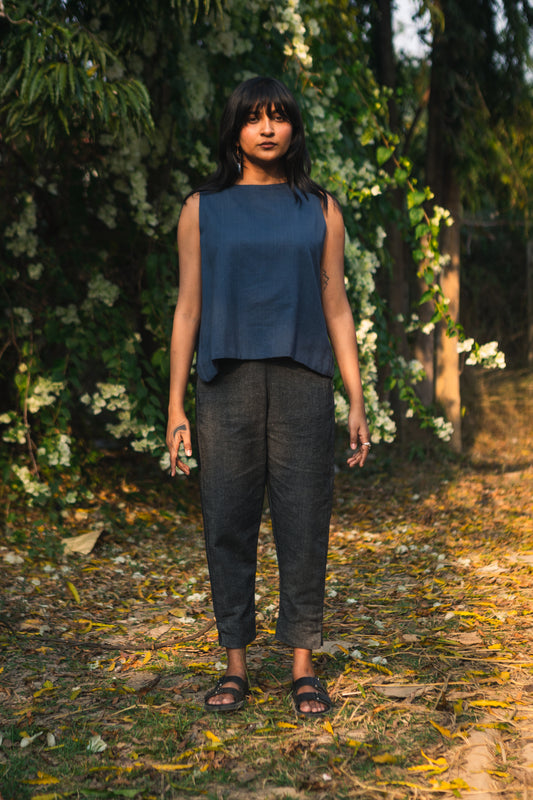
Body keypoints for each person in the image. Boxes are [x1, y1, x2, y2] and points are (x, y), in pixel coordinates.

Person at [166, 76, 371, 717]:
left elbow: (337, 306)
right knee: (227, 518)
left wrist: (358, 398)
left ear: (292, 129)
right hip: (224, 380)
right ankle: (235, 665)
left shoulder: (320, 208)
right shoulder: (202, 209)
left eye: (279, 117)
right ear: (235, 130)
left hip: (303, 378)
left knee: (304, 521)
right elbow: (188, 308)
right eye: (254, 117)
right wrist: (174, 406)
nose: (267, 128)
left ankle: (302, 666)